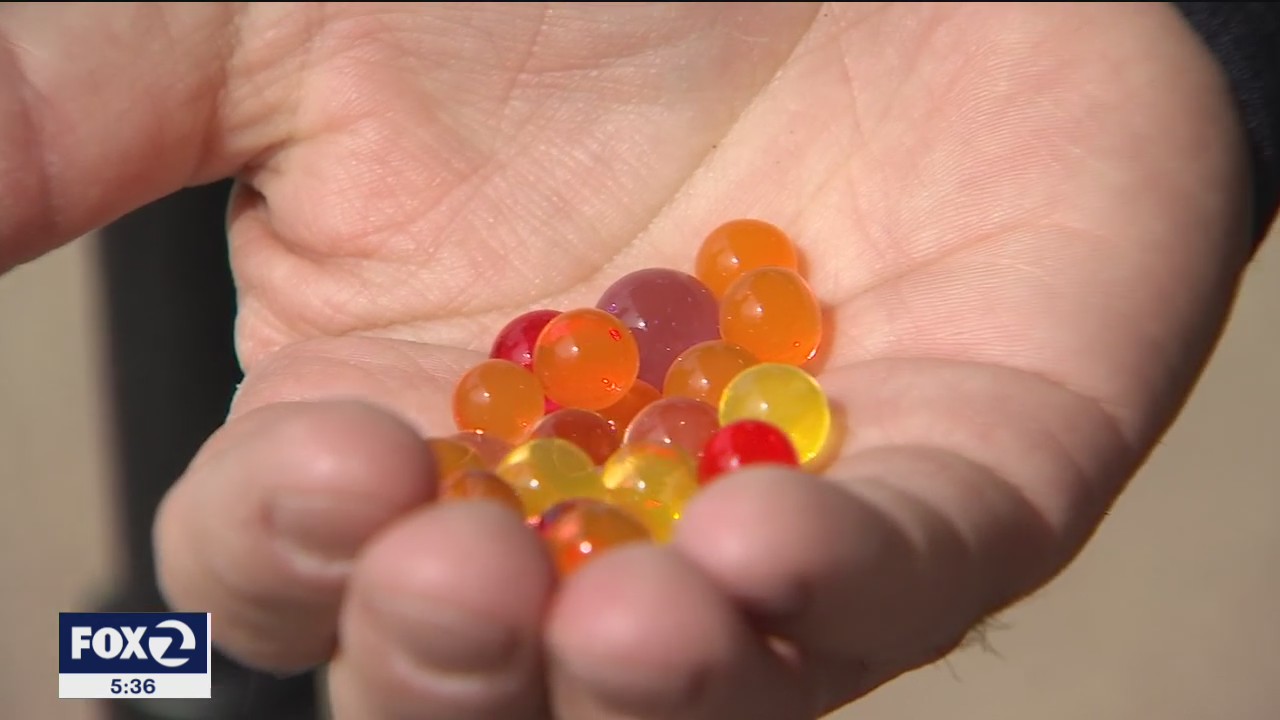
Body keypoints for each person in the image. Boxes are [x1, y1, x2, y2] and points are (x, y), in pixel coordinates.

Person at [4, 3, 1277, 719]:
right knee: (235, 516)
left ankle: (168, 667)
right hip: (324, 79)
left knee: (325, 550)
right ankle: (133, 666)